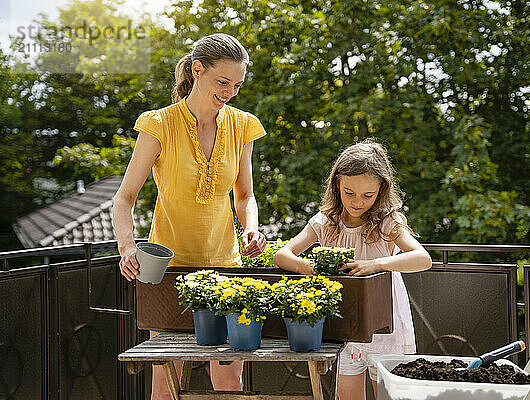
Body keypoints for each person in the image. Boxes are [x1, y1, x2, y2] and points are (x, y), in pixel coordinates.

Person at [112, 33, 267, 399]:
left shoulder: (244, 126)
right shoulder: (158, 124)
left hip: (227, 270)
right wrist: (127, 247)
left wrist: (252, 229)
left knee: (229, 383)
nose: (229, 92)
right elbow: (124, 198)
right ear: (198, 70)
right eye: (222, 82)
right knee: (167, 385)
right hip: (169, 273)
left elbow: (245, 195)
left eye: (237, 85)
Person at [274, 139, 432, 400]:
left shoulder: (387, 222)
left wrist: (376, 264)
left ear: (381, 188)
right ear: (337, 183)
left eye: (367, 195)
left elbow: (422, 258)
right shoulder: (326, 222)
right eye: (349, 192)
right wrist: (306, 267)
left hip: (385, 329)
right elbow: (282, 255)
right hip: (346, 330)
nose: (358, 202)